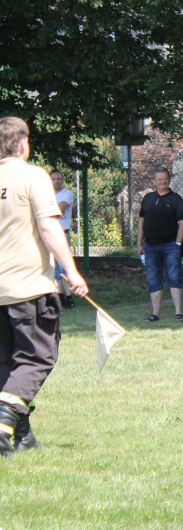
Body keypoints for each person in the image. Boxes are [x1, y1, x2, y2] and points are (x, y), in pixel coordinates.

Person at [0, 116, 88, 456]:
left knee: (7, 362)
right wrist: (72, 272)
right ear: (23, 144)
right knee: (39, 356)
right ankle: (5, 417)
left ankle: (20, 437)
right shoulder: (33, 175)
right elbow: (50, 228)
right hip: (28, 287)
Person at [138, 166, 183, 322]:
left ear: (169, 179)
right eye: (159, 180)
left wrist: (178, 244)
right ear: (155, 181)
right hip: (150, 246)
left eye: (165, 179)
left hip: (170, 246)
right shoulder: (147, 199)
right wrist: (139, 244)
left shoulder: (176, 199)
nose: (163, 182)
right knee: (153, 279)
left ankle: (178, 312)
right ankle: (155, 313)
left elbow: (182, 224)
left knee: (174, 277)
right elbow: (141, 222)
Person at [50, 169, 75, 308]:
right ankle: (58, 297)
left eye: (58, 179)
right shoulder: (46, 194)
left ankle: (69, 297)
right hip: (48, 233)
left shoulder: (67, 194)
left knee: (63, 266)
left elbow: (58, 211)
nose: (56, 181)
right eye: (53, 179)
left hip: (62, 233)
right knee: (53, 268)